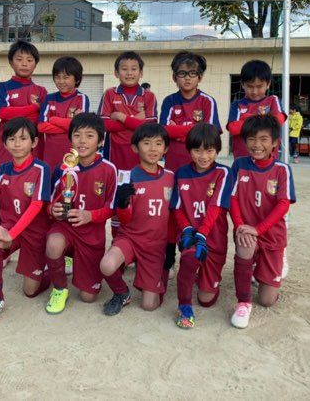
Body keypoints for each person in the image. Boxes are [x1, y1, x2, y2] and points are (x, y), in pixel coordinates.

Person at [0, 118, 51, 322]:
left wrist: (11, 234)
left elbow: (36, 206)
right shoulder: (4, 170)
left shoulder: (41, 168)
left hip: (34, 233)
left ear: (34, 142)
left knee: (30, 291)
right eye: (12, 139)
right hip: (10, 228)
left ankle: (50, 269)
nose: (17, 144)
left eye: (23, 138)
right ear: (4, 143)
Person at [45, 113, 118, 315]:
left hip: (91, 235)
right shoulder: (63, 168)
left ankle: (76, 262)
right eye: (77, 135)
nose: (82, 141)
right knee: (54, 243)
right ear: (70, 138)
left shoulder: (109, 169)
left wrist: (90, 216)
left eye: (90, 135)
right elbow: (49, 202)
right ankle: (59, 288)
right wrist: (53, 209)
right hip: (66, 227)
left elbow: (112, 208)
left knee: (88, 297)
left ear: (100, 140)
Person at [99, 123, 175, 316]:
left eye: (158, 143)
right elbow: (124, 219)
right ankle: (121, 293)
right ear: (135, 148)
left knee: (149, 305)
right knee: (107, 264)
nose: (153, 148)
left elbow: (173, 216)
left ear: (166, 148)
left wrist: (170, 248)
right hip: (130, 239)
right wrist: (123, 204)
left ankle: (158, 274)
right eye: (146, 143)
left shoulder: (170, 177)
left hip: (155, 245)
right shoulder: (127, 177)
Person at [229, 114, 296, 329]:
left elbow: (283, 205)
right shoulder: (239, 165)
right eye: (251, 139)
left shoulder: (282, 169)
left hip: (271, 235)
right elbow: (232, 199)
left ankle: (271, 264)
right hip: (247, 231)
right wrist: (240, 226)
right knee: (245, 243)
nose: (257, 145)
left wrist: (259, 229)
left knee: (267, 301)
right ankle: (243, 303)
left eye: (263, 139)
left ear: (275, 142)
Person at [170, 123, 233, 329]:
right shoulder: (181, 173)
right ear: (189, 151)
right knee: (190, 256)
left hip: (213, 238)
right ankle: (184, 305)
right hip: (190, 235)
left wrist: (202, 234)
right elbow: (177, 208)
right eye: (197, 150)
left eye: (209, 150)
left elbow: (216, 207)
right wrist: (188, 229)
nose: (204, 156)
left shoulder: (223, 173)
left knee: (207, 300)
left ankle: (205, 278)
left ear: (217, 150)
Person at [159, 51, 221, 173]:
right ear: (174, 77)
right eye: (182, 73)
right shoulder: (169, 101)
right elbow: (164, 131)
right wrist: (195, 128)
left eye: (192, 73)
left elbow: (210, 135)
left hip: (200, 163)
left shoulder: (208, 101)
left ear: (200, 77)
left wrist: (177, 133)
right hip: (174, 161)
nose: (187, 77)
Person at [98, 51, 158, 172]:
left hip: (140, 153)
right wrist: (135, 119)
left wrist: (121, 117)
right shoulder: (109, 94)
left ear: (141, 73)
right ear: (116, 73)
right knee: (115, 182)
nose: (129, 73)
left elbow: (150, 127)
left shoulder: (149, 96)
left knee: (138, 183)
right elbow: (103, 125)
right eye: (124, 69)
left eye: (134, 69)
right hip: (114, 152)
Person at [0, 40, 48, 169]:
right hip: (9, 148)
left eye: (29, 60)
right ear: (11, 62)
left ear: (35, 64)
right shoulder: (3, 87)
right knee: (7, 177)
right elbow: (1, 112)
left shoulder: (41, 91)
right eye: (19, 59)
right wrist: (33, 108)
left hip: (35, 149)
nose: (24, 64)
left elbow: (41, 120)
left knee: (33, 177)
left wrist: (14, 114)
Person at [38, 56, 91, 171]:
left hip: (73, 155)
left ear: (77, 79)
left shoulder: (81, 98)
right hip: (51, 155)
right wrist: (69, 125)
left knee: (71, 181)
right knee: (52, 181)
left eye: (66, 77)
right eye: (57, 77)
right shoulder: (49, 98)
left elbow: (80, 126)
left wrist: (53, 120)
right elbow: (41, 126)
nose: (61, 81)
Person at [226, 60, 286, 159]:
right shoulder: (237, 105)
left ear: (268, 84)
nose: (254, 91)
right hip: (243, 159)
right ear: (242, 84)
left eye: (259, 86)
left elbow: (279, 119)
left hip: (269, 160)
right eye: (250, 86)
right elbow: (233, 128)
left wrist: (246, 118)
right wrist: (264, 119)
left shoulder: (272, 100)